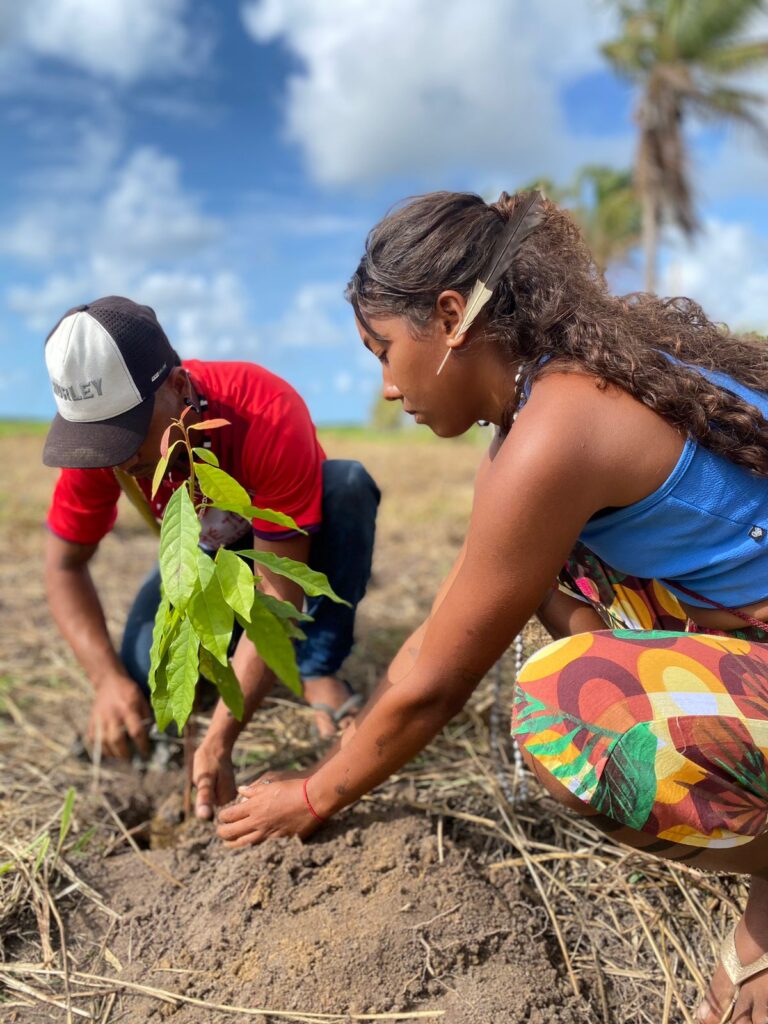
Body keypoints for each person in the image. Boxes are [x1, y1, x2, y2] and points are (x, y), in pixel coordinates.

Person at [216, 191, 768, 1024]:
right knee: (556, 582)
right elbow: (467, 615)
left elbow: (435, 679)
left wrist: (316, 793)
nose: (388, 387)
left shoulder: (557, 432)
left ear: (448, 319)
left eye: (383, 351)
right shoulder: (572, 388)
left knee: (571, 713)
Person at [43, 296, 379, 820]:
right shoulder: (102, 451)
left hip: (287, 540)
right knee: (139, 672)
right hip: (201, 550)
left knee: (348, 485)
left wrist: (221, 738)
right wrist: (106, 681)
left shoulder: (263, 408)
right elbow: (64, 565)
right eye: (101, 443)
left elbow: (276, 594)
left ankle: (318, 669)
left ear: (179, 388)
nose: (122, 459)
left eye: (129, 435)